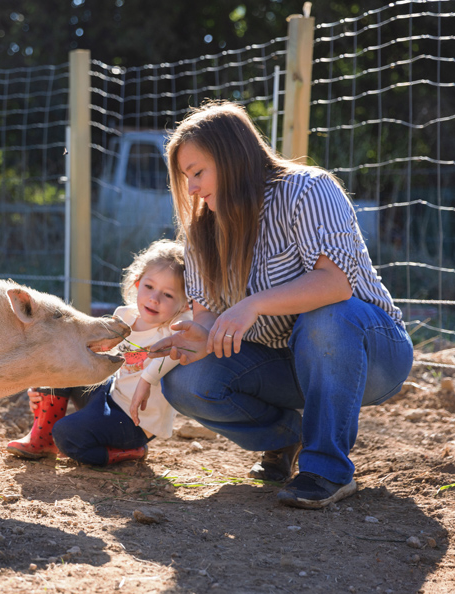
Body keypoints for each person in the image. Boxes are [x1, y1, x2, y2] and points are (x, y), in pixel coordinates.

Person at [148, 100, 413, 509]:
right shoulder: (201, 231)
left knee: (327, 316)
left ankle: (326, 469)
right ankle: (290, 437)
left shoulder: (308, 189)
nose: (192, 189)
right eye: (186, 178)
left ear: (232, 158)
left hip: (369, 354)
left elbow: (336, 284)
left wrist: (252, 305)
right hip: (284, 360)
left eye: (198, 173)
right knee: (186, 382)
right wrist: (199, 338)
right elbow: (208, 319)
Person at [6, 239, 192, 466]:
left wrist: (147, 378)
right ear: (136, 283)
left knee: (66, 434)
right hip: (109, 395)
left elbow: (177, 347)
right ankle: (42, 437)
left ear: (184, 305)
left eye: (169, 295)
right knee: (64, 360)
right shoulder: (124, 316)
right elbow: (94, 352)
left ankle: (130, 451)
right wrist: (41, 385)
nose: (154, 298)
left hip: (134, 422)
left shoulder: (174, 330)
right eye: (149, 287)